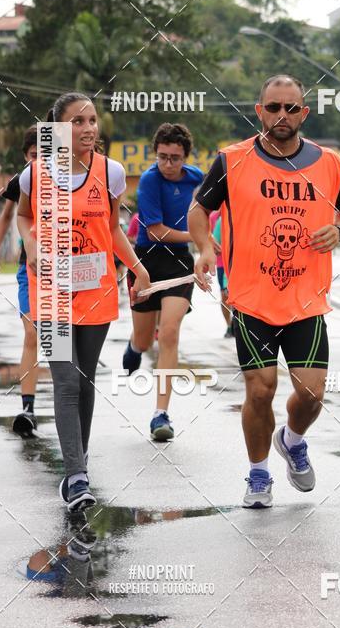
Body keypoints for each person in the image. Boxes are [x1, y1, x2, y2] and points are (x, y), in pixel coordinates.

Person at [189, 74, 340, 509]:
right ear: (258, 111)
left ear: (303, 113)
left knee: (312, 394)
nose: (281, 115)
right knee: (260, 389)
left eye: (290, 108)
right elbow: (199, 210)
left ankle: (293, 440)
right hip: (251, 299)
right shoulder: (232, 160)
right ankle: (259, 474)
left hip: (307, 299)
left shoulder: (327, 162)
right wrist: (205, 248)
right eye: (273, 107)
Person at [18, 92, 150, 512]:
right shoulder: (34, 174)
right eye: (78, 121)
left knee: (85, 380)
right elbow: (23, 216)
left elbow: (112, 229)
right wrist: (30, 244)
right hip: (51, 292)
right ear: (58, 129)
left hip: (96, 290)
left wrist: (138, 267)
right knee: (66, 381)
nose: (89, 128)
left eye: (92, 120)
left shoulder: (111, 172)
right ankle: (75, 476)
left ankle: (79, 459)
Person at [121, 123, 203, 442]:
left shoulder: (196, 177)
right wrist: (197, 236)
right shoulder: (149, 180)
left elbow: (221, 198)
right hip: (146, 260)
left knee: (168, 333)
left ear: (185, 157)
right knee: (144, 341)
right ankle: (134, 346)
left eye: (175, 158)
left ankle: (160, 414)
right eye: (162, 157)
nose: (168, 164)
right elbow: (155, 232)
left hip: (179, 262)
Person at [0, 126, 40, 436]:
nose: (38, 162)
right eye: (33, 156)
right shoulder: (22, 180)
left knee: (62, 339)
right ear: (25, 156)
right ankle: (28, 408)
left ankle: (70, 403)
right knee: (32, 333)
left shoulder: (68, 180)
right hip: (29, 268)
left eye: (45, 155)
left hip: (65, 269)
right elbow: (8, 216)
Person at [209, 208, 233, 336]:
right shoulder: (216, 217)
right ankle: (229, 325)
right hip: (222, 264)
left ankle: (236, 323)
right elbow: (213, 242)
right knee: (225, 296)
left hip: (240, 264)